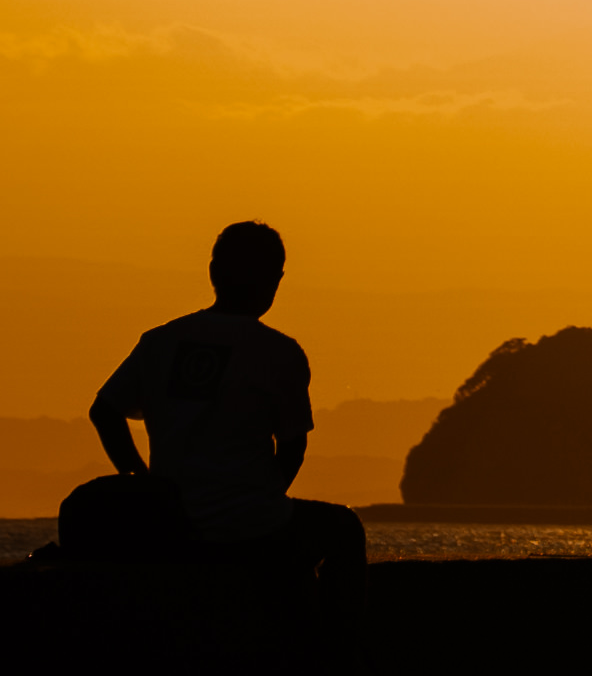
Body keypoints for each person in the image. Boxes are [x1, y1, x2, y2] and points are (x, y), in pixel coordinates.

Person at [65, 220, 367, 576]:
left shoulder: (159, 342)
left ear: (213, 272)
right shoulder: (279, 352)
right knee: (345, 527)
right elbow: (293, 448)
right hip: (255, 529)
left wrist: (143, 483)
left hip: (172, 526)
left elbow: (104, 411)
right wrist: (258, 503)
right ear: (275, 280)